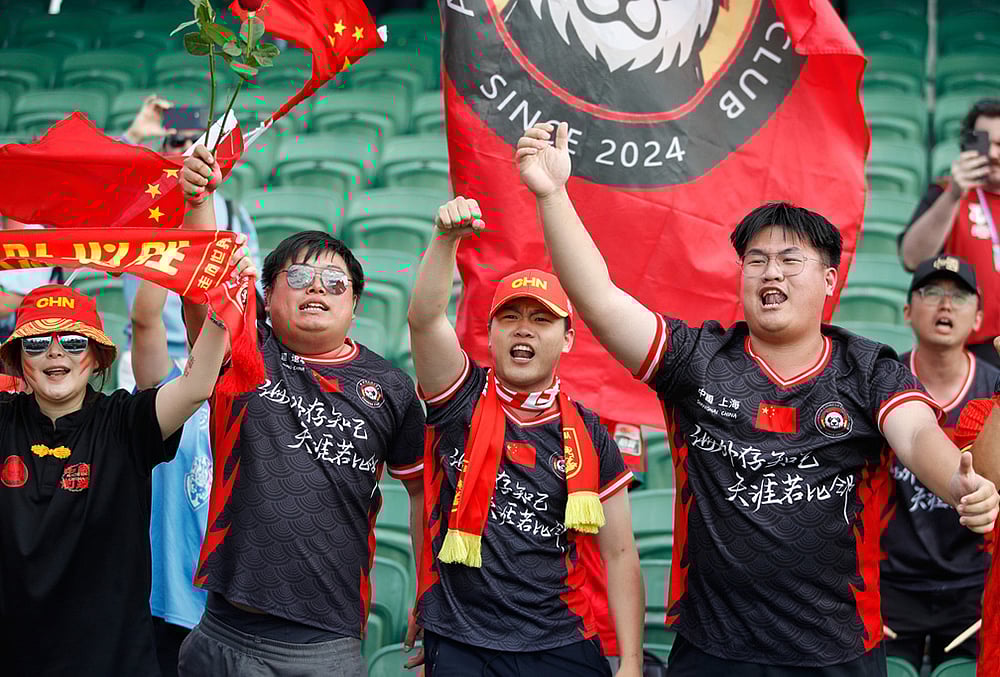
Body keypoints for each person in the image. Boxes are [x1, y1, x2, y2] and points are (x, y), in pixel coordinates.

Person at [515, 121, 1000, 675]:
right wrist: (552, 194)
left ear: (829, 282)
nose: (771, 271)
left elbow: (915, 434)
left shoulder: (868, 369)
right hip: (714, 652)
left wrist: (957, 483)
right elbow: (598, 299)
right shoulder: (696, 360)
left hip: (837, 654)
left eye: (791, 260)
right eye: (756, 260)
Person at [174, 145, 426, 677]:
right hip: (225, 631)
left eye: (336, 284)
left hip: (325, 644)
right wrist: (201, 194)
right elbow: (201, 289)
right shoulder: (245, 353)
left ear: (355, 303)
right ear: (267, 296)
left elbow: (425, 492)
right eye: (297, 278)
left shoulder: (393, 387)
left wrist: (427, 590)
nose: (316, 288)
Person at [404, 196, 643, 677]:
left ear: (568, 338)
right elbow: (425, 320)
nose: (524, 331)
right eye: (510, 317)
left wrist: (633, 663)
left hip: (562, 641)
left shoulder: (591, 433)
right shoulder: (459, 399)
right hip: (461, 640)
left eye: (541, 320)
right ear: (489, 333)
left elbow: (620, 553)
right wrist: (446, 239)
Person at [0, 236, 256, 676]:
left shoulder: (125, 420)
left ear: (98, 357)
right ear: (17, 359)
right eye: (37, 342)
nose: (55, 352)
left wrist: (224, 301)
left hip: (113, 660)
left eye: (74, 343)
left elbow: (196, 387)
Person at [881, 255, 996, 669]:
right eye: (931, 292)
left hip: (975, 588)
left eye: (960, 295)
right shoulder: (879, 381)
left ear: (979, 316)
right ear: (908, 310)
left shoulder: (994, 390)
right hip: (889, 587)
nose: (945, 304)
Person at [117, 95, 260, 391]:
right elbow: (103, 187)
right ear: (161, 147)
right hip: (148, 352)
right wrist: (134, 135)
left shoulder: (232, 211)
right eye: (175, 142)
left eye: (196, 142)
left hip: (213, 354)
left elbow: (252, 288)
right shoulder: (136, 204)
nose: (186, 150)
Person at [130, 277, 214, 677]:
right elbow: (146, 320)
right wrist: (162, 255)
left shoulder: (270, 410)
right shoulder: (170, 393)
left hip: (235, 620)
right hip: (166, 608)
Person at [899, 98, 1000, 368]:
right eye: (983, 142)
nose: (991, 153)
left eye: (999, 144)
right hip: (966, 354)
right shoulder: (946, 192)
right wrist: (955, 194)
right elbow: (911, 258)